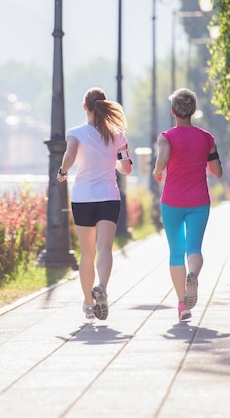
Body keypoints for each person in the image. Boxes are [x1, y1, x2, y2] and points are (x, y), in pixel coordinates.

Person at [57, 87, 132, 322]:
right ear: (104, 106)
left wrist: (62, 171)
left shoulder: (76, 133)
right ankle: (102, 287)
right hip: (108, 197)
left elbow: (69, 155)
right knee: (105, 248)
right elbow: (126, 167)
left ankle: (89, 304)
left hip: (82, 199)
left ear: (85, 107)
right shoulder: (117, 134)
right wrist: (115, 162)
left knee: (87, 253)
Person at [152, 88, 223, 321]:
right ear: (193, 111)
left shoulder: (166, 137)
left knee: (175, 253)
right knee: (194, 249)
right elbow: (217, 172)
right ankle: (193, 274)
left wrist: (157, 171)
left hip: (172, 202)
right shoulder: (206, 138)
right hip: (199, 202)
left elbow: (162, 159)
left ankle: (183, 305)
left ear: (173, 111)